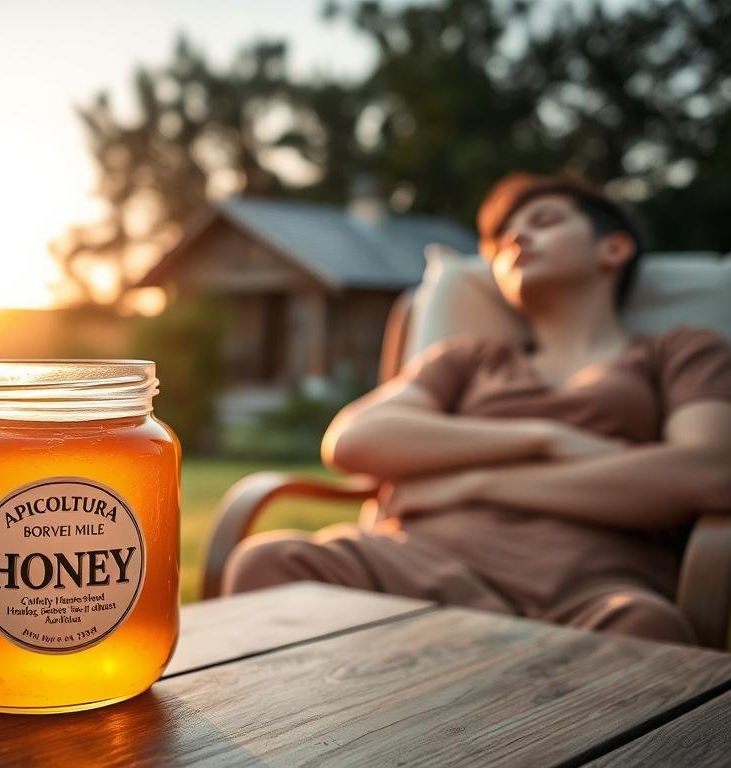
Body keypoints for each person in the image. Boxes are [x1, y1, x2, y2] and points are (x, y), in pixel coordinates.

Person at [221, 173, 731, 644]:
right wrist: (543, 439)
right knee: (271, 563)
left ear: (614, 248)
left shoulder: (679, 351)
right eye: (505, 236)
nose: (517, 238)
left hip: (587, 593)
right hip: (415, 569)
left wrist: (474, 482)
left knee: (650, 629)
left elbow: (709, 470)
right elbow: (355, 440)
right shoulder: (469, 358)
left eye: (545, 221)